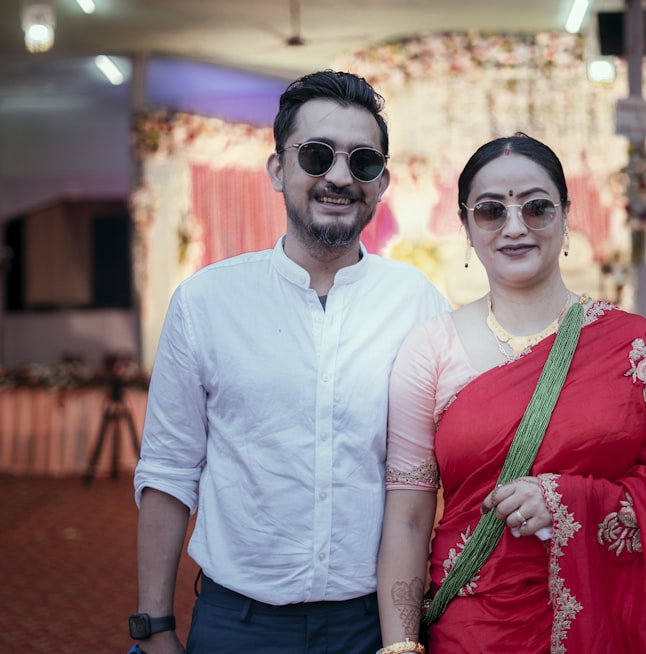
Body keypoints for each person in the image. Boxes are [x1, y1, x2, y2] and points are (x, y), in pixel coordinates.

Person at [376, 133, 646, 653]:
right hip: (473, 628)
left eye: (536, 208)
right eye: (490, 211)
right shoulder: (431, 347)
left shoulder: (634, 347)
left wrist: (568, 501)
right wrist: (399, 648)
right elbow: (408, 516)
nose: (515, 227)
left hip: (610, 625)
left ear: (565, 216)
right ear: (465, 225)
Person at [131, 70, 450, 654]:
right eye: (317, 154)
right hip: (238, 624)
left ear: (381, 183)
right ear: (278, 170)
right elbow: (170, 469)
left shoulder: (417, 303)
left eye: (362, 162)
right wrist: (153, 627)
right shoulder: (206, 301)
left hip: (372, 623)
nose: (338, 176)